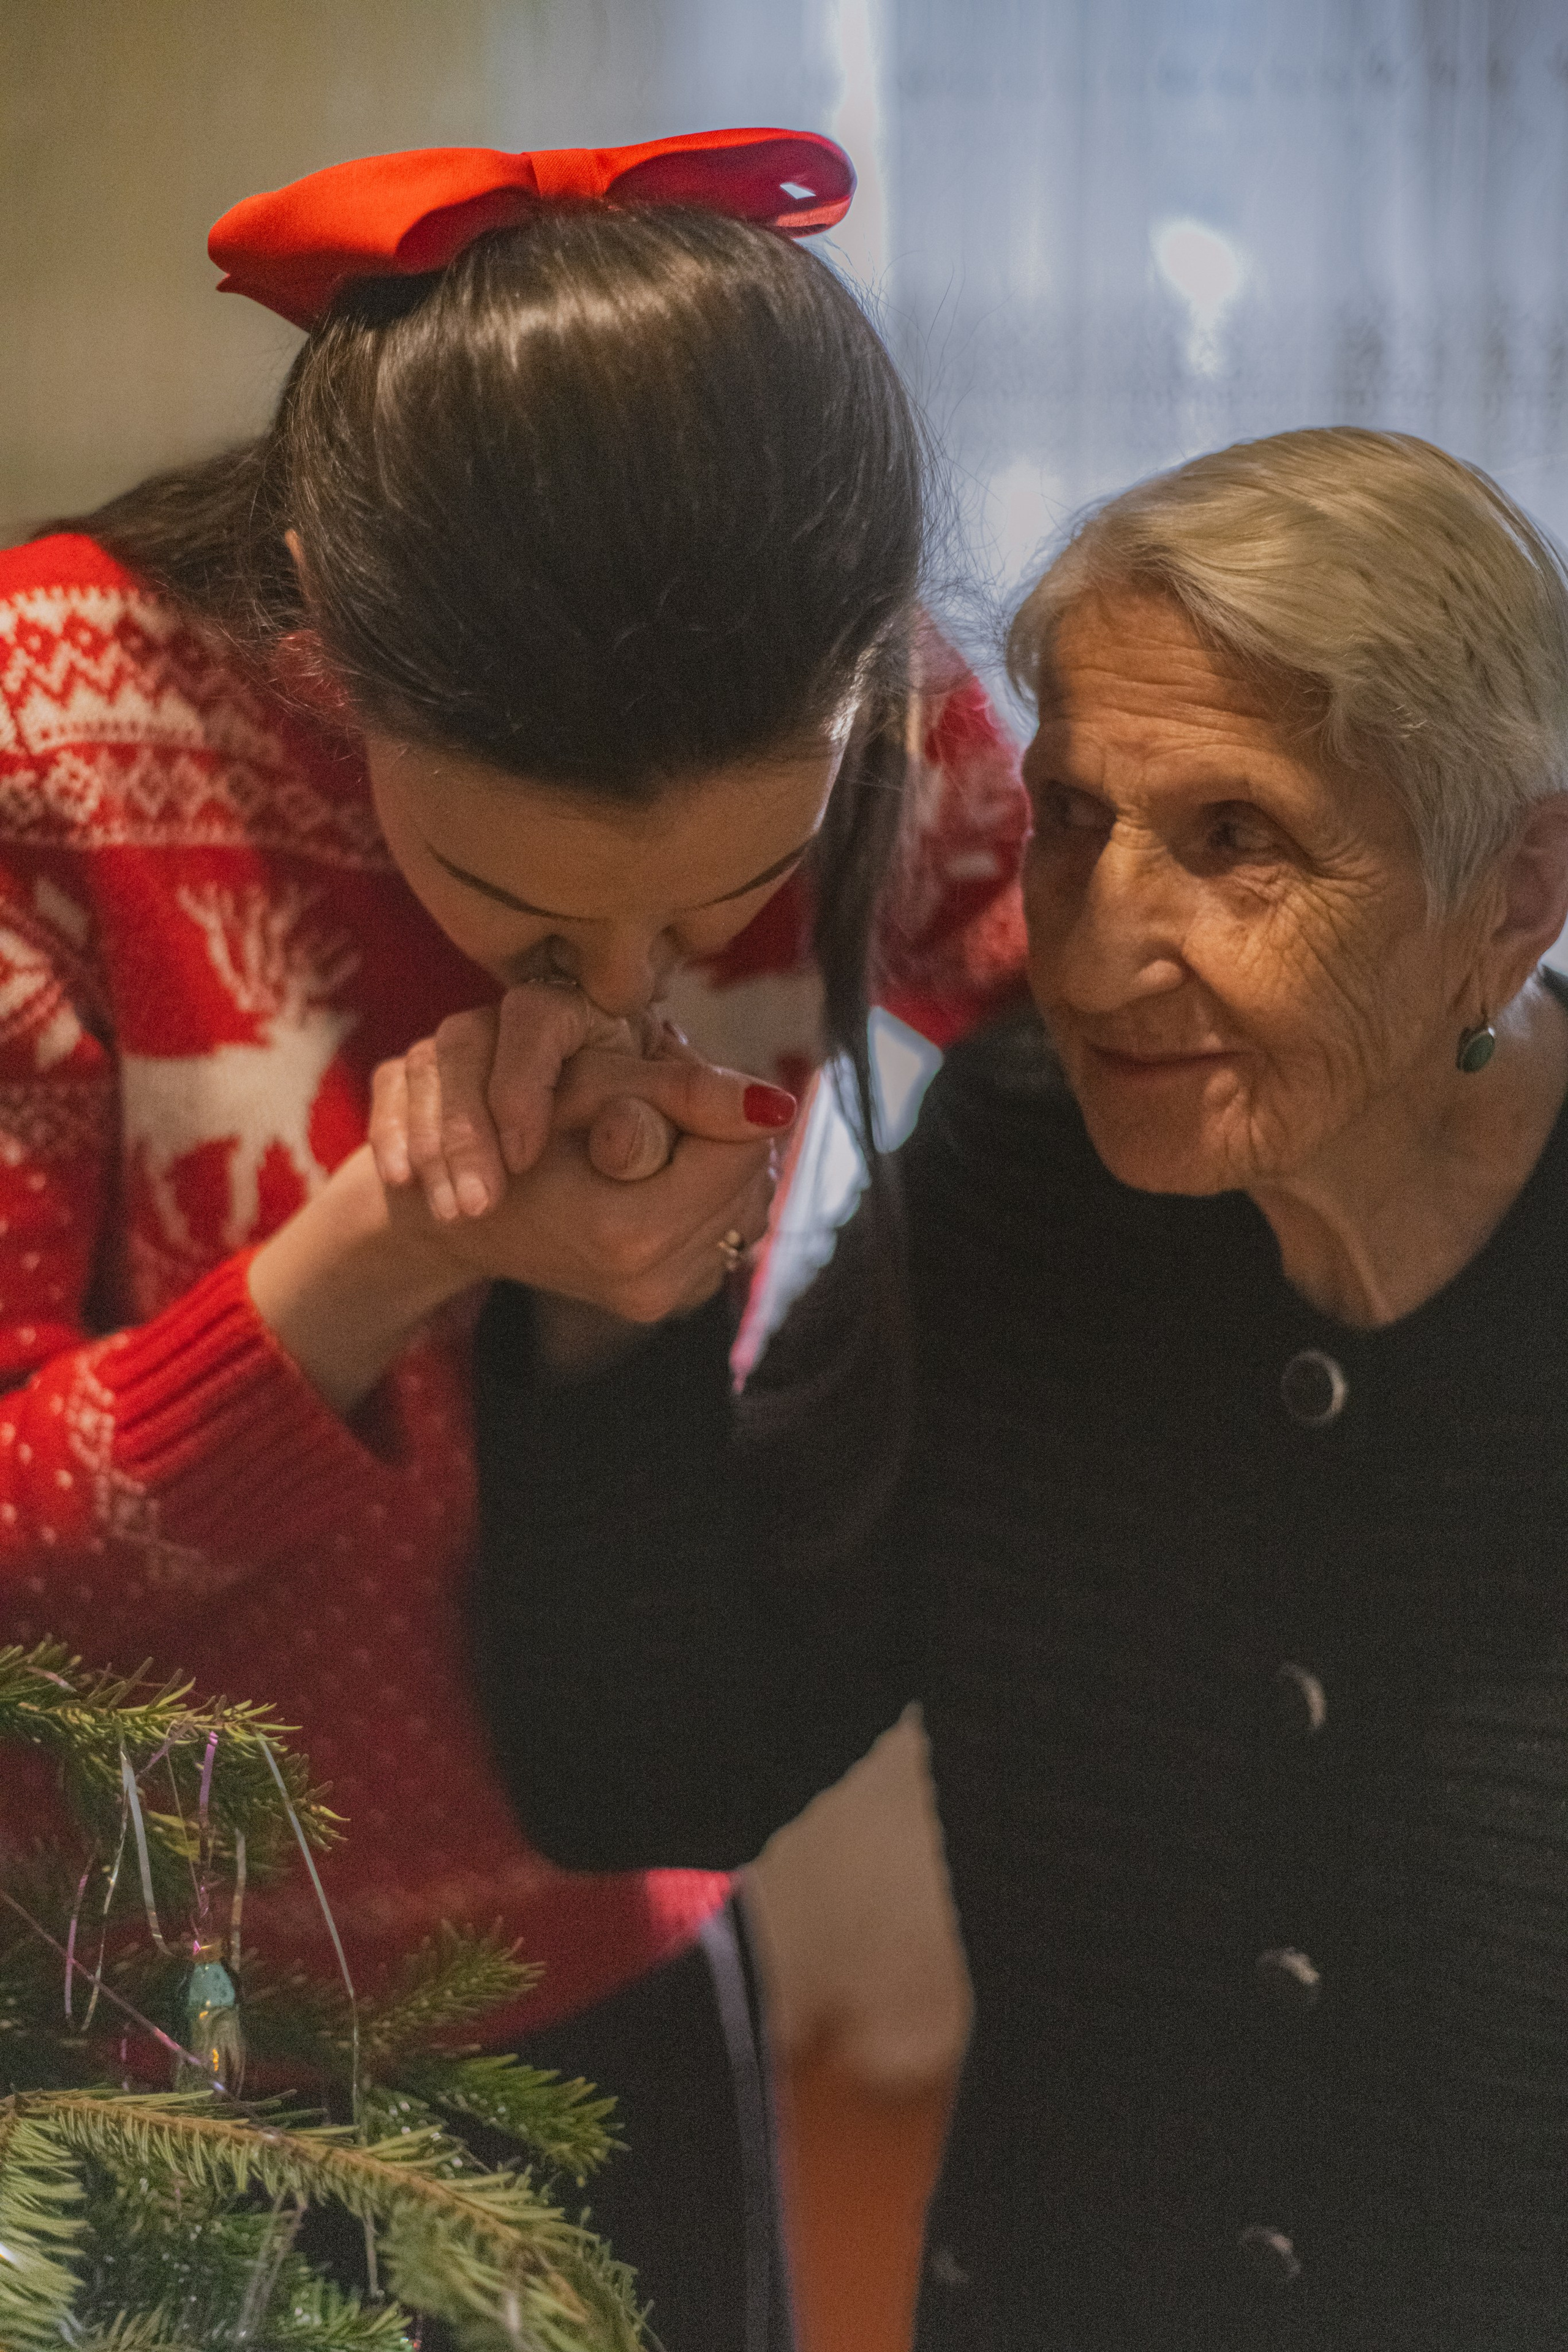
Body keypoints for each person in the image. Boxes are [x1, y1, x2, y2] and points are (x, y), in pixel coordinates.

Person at [0, 129, 1025, 2349]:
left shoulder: (856, 701)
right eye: (525, 905)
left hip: (623, 1943)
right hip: (133, 2040)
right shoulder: (58, 736)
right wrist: (381, 1253)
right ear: (331, 647)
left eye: (721, 897)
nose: (634, 983)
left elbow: (1117, 1021)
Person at [470, 426, 1568, 2351]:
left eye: (1237, 839)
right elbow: (651, 1763)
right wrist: (604, 1309)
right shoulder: (1020, 1178)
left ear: (1516, 889)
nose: (1094, 942)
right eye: (1075, 817)